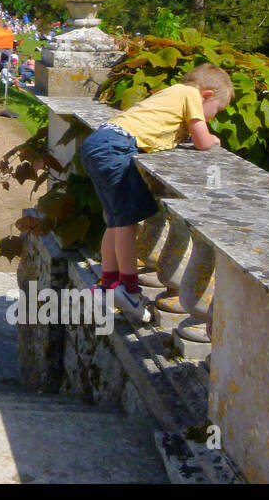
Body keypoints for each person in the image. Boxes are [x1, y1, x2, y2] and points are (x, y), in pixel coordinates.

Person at [79, 64, 233, 321]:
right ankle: (128, 289)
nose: (211, 118)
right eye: (215, 112)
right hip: (117, 148)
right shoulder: (190, 95)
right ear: (206, 96)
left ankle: (107, 285)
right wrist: (213, 139)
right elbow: (202, 141)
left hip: (100, 143)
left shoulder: (172, 93)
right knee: (128, 222)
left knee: (115, 221)